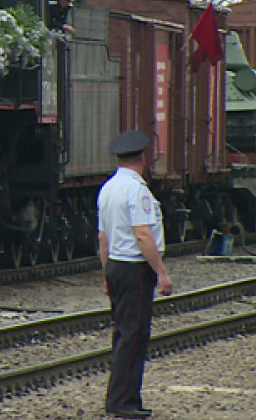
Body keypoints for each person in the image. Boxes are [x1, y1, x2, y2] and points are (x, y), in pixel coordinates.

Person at [97, 130, 173, 419]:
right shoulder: (138, 190)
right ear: (142, 159)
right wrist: (162, 273)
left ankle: (124, 397)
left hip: (115, 264)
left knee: (123, 334)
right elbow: (143, 235)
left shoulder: (107, 188)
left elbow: (103, 238)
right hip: (133, 269)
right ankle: (123, 403)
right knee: (134, 335)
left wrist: (106, 274)